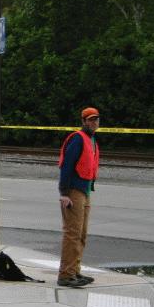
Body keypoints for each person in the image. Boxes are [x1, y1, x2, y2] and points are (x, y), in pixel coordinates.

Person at [57, 106, 101, 288]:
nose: (94, 122)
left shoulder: (92, 140)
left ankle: (74, 271)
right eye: (90, 119)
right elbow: (66, 166)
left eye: (96, 119)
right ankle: (66, 275)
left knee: (81, 234)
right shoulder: (78, 139)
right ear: (83, 121)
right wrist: (64, 193)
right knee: (72, 234)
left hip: (85, 191)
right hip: (74, 191)